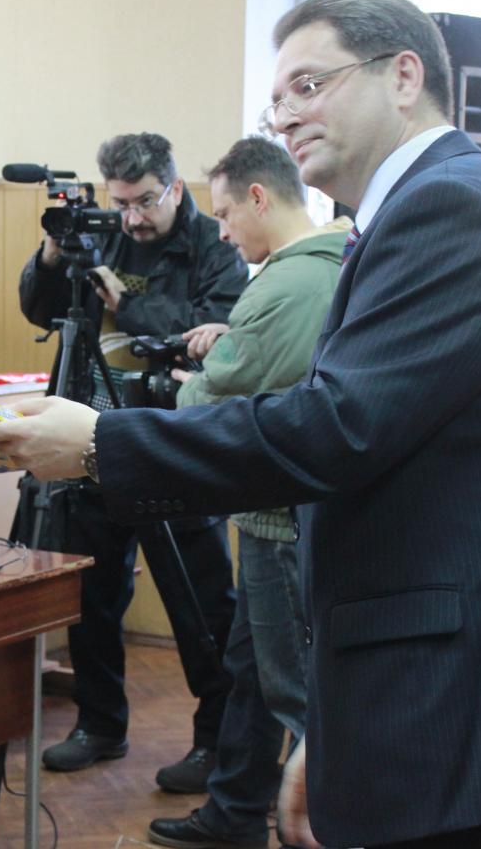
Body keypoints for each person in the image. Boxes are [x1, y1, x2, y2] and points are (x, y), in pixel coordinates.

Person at [0, 0, 481, 849]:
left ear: (404, 77)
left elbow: (335, 428)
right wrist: (339, 718)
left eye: (310, 85)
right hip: (433, 695)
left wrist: (98, 441)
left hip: (472, 712)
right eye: (276, 100)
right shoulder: (429, 207)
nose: (286, 117)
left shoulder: (450, 207)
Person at [18, 131, 248, 790]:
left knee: (200, 603)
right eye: (121, 203)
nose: (133, 217)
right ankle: (99, 724)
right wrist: (53, 256)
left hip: (175, 443)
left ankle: (217, 742)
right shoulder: (103, 233)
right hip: (93, 436)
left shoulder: (214, 243)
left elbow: (212, 336)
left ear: (174, 187)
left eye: (145, 201)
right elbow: (40, 309)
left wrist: (128, 303)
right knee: (92, 597)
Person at [146, 137, 346, 849]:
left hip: (277, 517)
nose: (223, 233)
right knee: (254, 672)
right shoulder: (327, 264)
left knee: (292, 690)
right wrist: (231, 339)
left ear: (259, 198)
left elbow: (214, 398)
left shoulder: (290, 282)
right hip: (278, 511)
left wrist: (190, 383)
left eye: (227, 214)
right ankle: (235, 813)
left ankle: (320, 824)